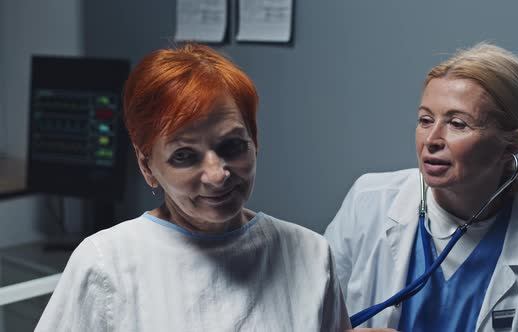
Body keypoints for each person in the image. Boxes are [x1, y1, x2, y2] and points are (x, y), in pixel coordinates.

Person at [35, 43, 351, 331]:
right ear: (147, 166)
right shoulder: (106, 263)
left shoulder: (310, 253)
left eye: (232, 146)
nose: (217, 175)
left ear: (255, 141)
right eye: (184, 156)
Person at [325, 42, 518, 331]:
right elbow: (309, 314)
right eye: (425, 120)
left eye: (458, 124)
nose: (432, 139)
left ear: (512, 142)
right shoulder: (369, 201)